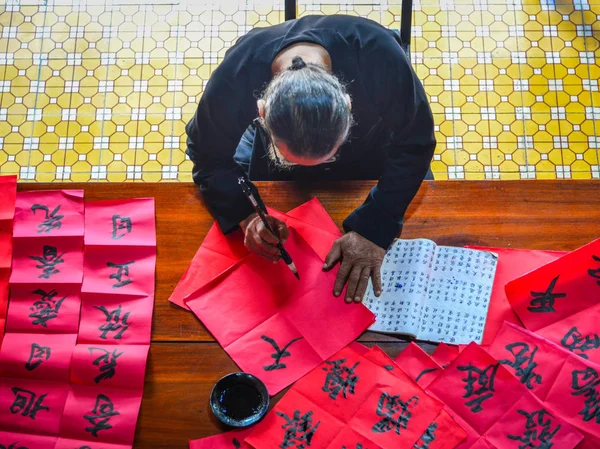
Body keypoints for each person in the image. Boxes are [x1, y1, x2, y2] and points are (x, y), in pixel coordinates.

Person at [185, 15, 435, 304]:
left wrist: (374, 227)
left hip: (369, 152)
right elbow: (206, 152)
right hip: (277, 169)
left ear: (349, 106)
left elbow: (414, 143)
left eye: (326, 156)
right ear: (262, 113)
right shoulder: (235, 76)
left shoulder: (379, 55)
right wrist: (246, 214)